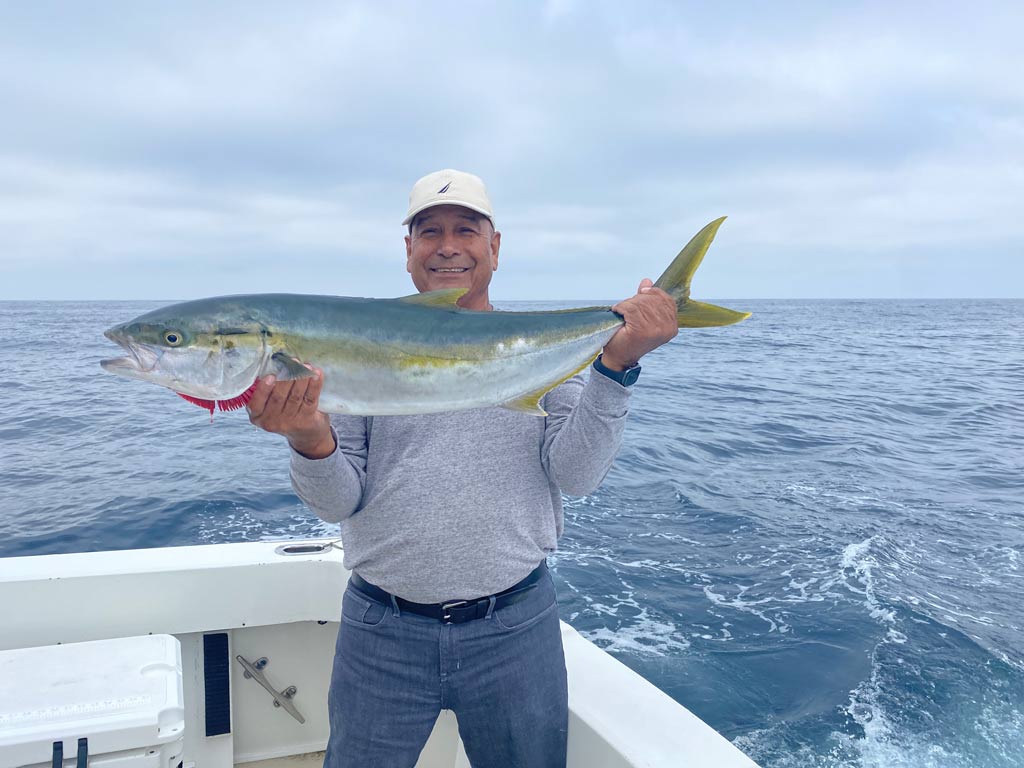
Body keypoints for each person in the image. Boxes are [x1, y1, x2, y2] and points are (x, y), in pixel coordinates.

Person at [247, 169, 679, 767]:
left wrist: (614, 371)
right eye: (429, 231)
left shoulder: (536, 349)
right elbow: (337, 503)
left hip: (514, 628)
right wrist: (308, 436)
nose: (447, 245)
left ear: (494, 247)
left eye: (466, 229)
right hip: (382, 630)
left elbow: (577, 475)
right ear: (408, 251)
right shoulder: (356, 348)